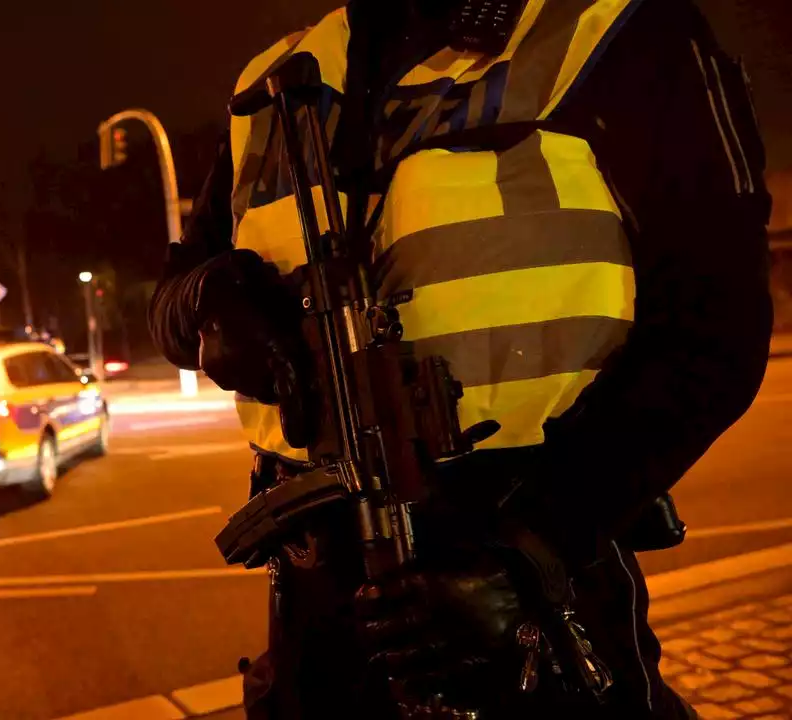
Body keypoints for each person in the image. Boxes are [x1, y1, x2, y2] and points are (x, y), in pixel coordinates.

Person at [149, 0, 772, 717]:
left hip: (529, 587)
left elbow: (716, 330)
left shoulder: (617, 33)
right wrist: (211, 298)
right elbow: (172, 294)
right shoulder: (274, 82)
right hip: (316, 616)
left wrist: (526, 558)